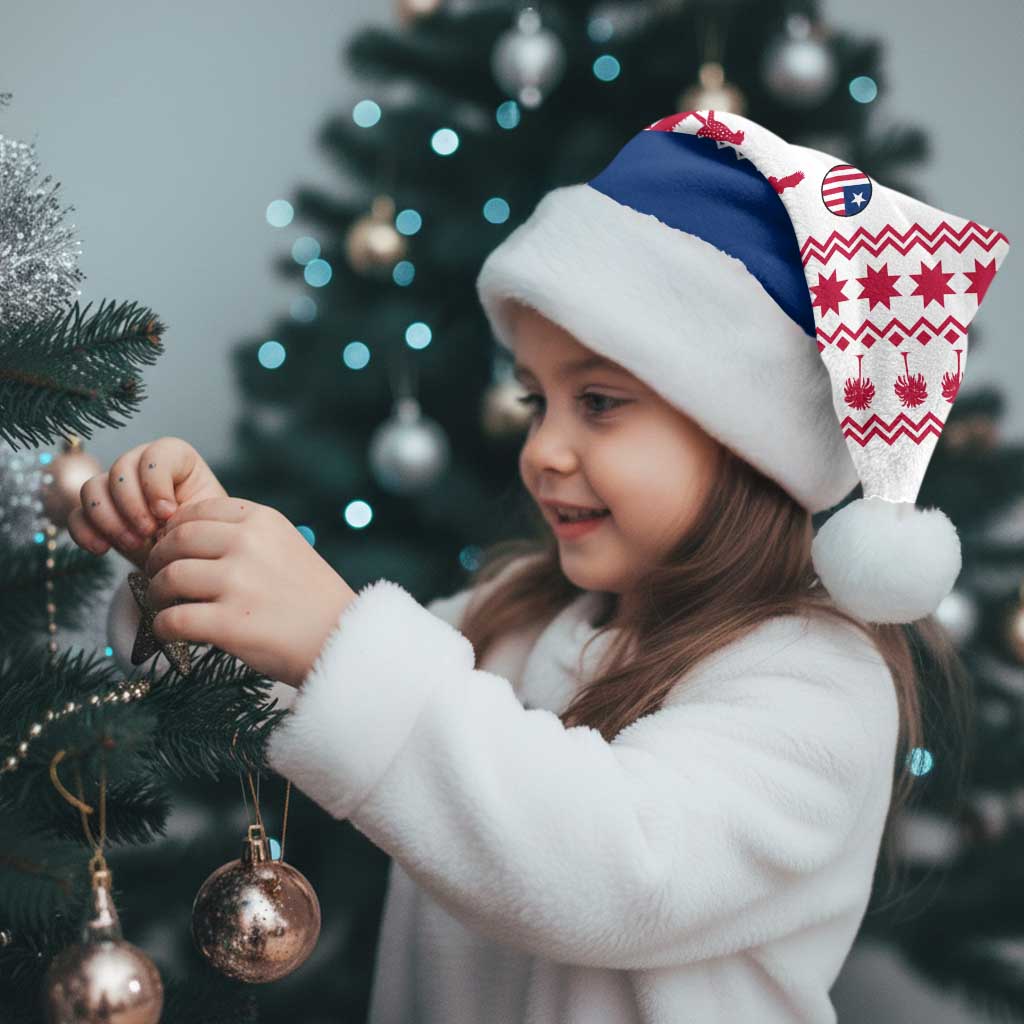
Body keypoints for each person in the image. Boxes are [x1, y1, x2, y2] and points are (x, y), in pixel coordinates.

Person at [76, 108, 1010, 1023]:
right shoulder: (517, 616)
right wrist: (192, 565)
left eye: (598, 402)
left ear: (746, 441)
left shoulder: (818, 683)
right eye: (536, 401)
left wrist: (334, 634)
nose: (543, 450)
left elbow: (613, 870)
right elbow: (307, 691)